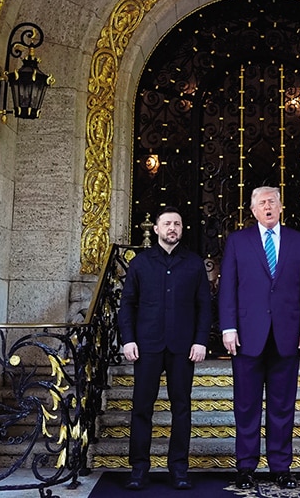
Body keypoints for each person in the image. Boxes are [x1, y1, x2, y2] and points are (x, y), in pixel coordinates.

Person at [219, 186, 300, 490]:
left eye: (272, 202)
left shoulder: (299, 242)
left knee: (282, 406)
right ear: (253, 210)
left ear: (281, 206)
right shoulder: (238, 241)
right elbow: (228, 289)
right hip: (247, 336)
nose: (268, 207)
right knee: (246, 406)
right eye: (262, 203)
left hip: (287, 336)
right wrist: (228, 327)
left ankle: (280, 467)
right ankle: (246, 467)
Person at [117, 207, 213, 491]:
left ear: (182, 230)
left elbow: (203, 307)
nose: (173, 228)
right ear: (156, 229)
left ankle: (179, 469)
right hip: (146, 345)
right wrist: (128, 339)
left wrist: (201, 340)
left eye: (177, 224)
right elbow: (127, 304)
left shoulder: (194, 264)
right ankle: (139, 469)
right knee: (141, 408)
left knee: (181, 408)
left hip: (183, 347)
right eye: (167, 223)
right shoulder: (140, 263)